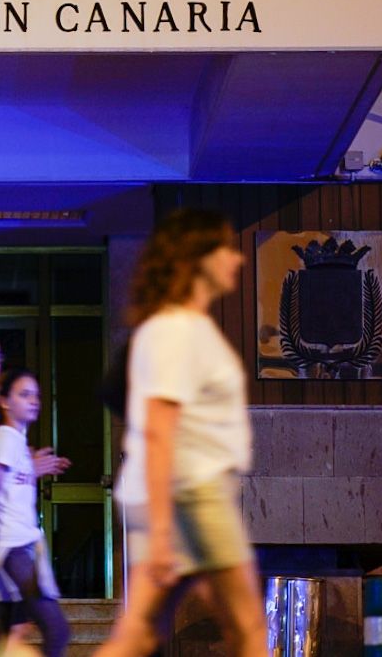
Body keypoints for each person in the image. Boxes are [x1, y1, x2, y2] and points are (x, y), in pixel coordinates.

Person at [95, 208, 266, 657]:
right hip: (191, 490)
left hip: (177, 492)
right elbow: (157, 430)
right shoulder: (175, 330)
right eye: (225, 248)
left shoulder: (178, 327)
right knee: (248, 627)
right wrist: (166, 530)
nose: (237, 259)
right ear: (197, 257)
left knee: (136, 636)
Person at [0, 367, 71, 657]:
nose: (34, 400)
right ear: (4, 401)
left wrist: (31, 467)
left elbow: (9, 486)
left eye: (36, 395)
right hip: (12, 547)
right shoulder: (6, 437)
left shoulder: (16, 441)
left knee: (9, 636)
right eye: (24, 394)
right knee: (57, 629)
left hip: (22, 545)